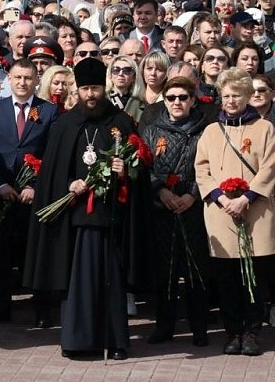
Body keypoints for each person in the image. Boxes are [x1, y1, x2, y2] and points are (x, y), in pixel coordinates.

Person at [24, 58, 151, 360]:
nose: (91, 95)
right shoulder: (66, 124)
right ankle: (78, 340)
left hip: (111, 217)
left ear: (104, 88)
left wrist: (124, 171)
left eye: (95, 88)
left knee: (112, 280)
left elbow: (140, 173)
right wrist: (69, 184)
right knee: (77, 281)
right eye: (85, 89)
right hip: (75, 219)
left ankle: (115, 340)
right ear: (77, 90)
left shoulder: (120, 122)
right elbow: (52, 174)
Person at [194, 68, 275, 356]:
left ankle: (252, 332)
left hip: (256, 211)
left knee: (254, 276)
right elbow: (201, 169)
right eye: (226, 95)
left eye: (236, 95)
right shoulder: (211, 130)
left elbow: (270, 166)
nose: (231, 100)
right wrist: (219, 197)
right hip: (222, 213)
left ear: (247, 96)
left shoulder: (264, 128)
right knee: (227, 278)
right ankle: (232, 332)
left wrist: (247, 197)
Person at [0, 59, 59, 326]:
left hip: (33, 195)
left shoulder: (48, 112)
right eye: (18, 77)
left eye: (28, 78)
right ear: (8, 79)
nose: (22, 83)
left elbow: (52, 153)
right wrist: (0, 185)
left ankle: (43, 310)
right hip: (1, 192)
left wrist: (34, 186)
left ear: (37, 80)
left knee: (35, 252)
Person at [139, 76, 210, 347]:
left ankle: (200, 327)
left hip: (194, 208)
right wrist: (161, 190)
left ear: (192, 100)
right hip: (162, 209)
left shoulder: (207, 129)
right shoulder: (152, 130)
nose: (177, 103)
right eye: (171, 98)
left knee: (195, 271)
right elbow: (143, 166)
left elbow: (211, 166)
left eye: (183, 97)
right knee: (165, 272)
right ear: (164, 101)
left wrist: (193, 194)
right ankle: (164, 326)